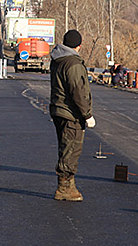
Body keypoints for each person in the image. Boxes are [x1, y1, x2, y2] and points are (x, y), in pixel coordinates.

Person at [49, 29, 94, 202]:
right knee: (71, 150)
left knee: (65, 148)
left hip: (59, 110)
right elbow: (78, 91)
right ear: (79, 46)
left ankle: (69, 185)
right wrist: (87, 114)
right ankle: (64, 188)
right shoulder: (73, 63)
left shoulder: (58, 59)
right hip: (71, 114)